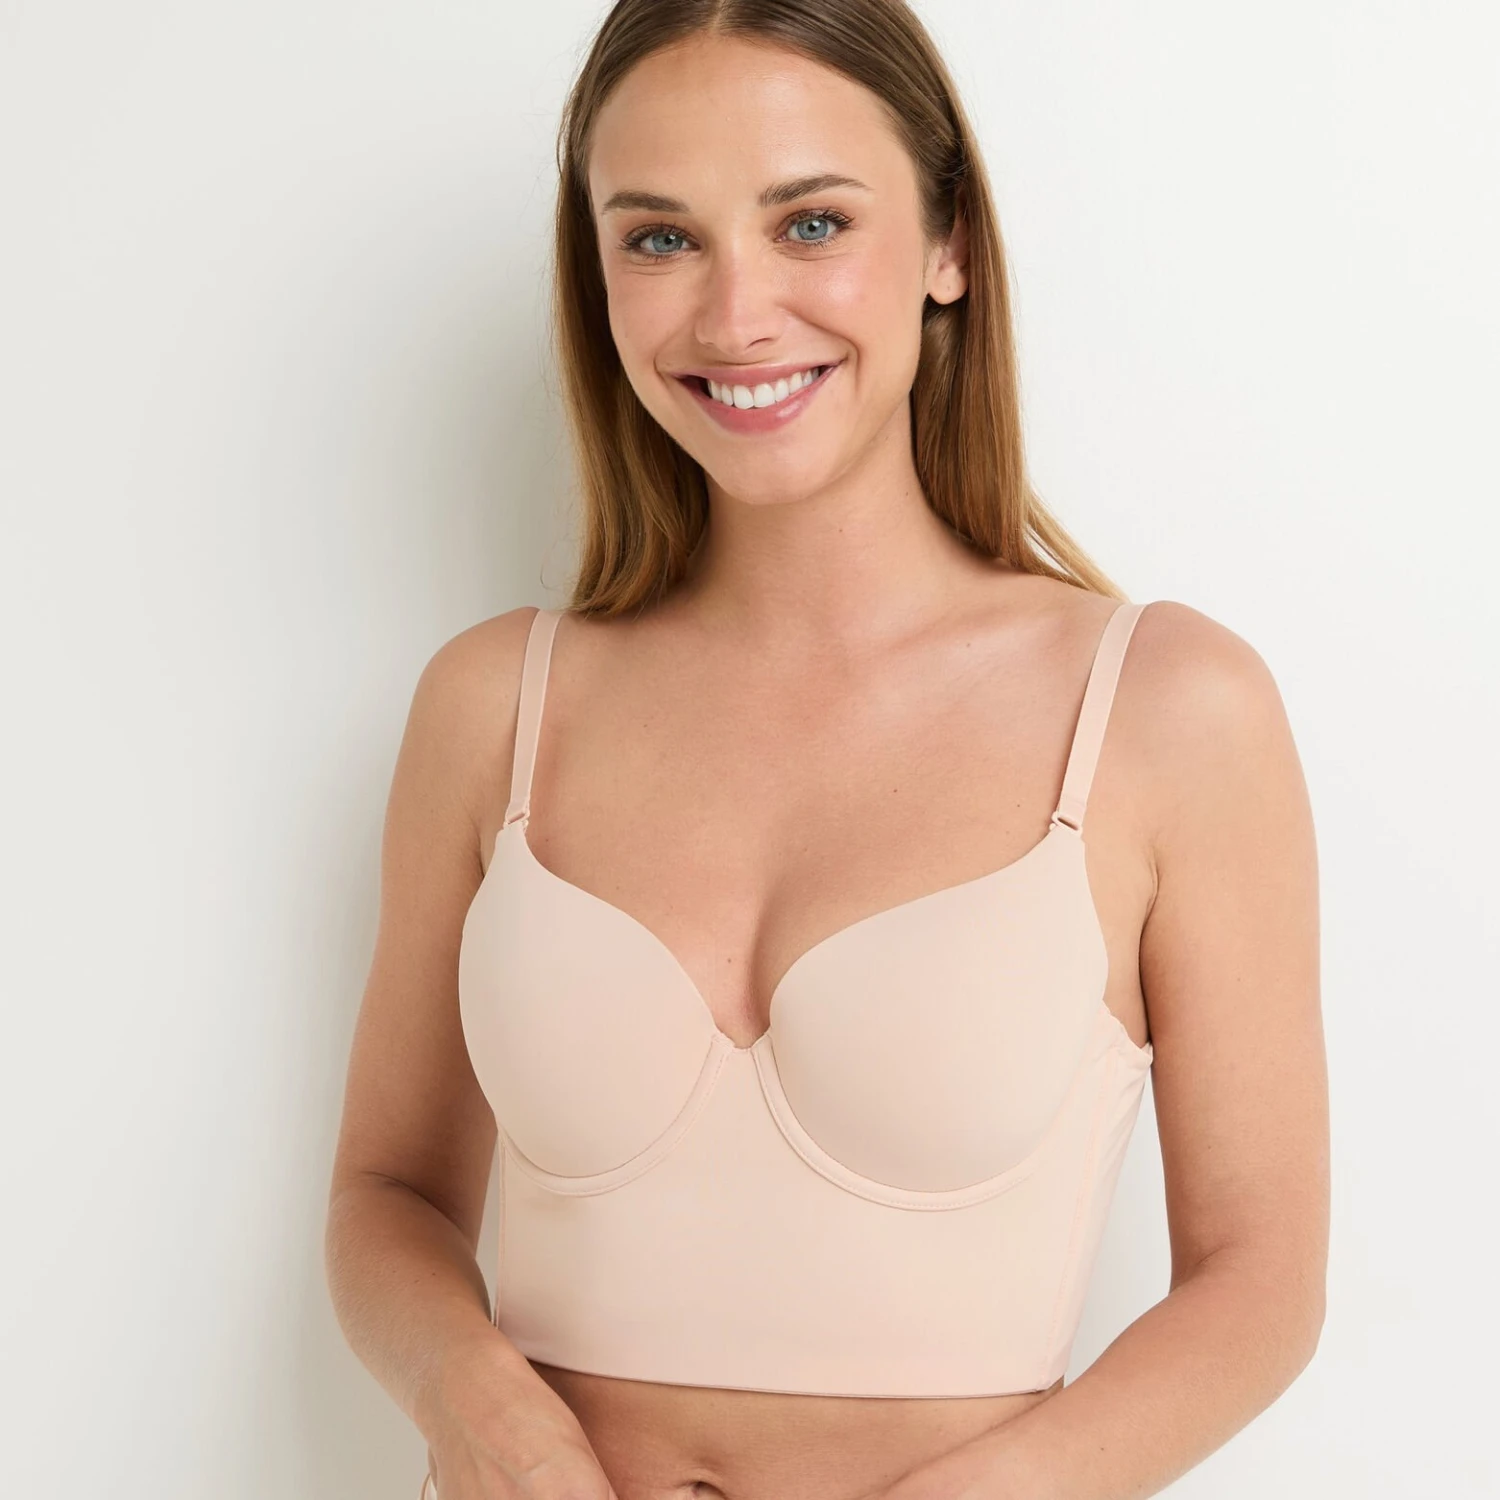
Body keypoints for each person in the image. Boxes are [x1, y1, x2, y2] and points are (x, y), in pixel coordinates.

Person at [324, 4, 1329, 1497]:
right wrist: (481, 1413)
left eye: (809, 223)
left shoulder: (1166, 711)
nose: (736, 317)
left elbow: (1260, 1283)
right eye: (660, 239)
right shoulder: (495, 707)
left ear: (948, 245)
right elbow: (385, 1193)